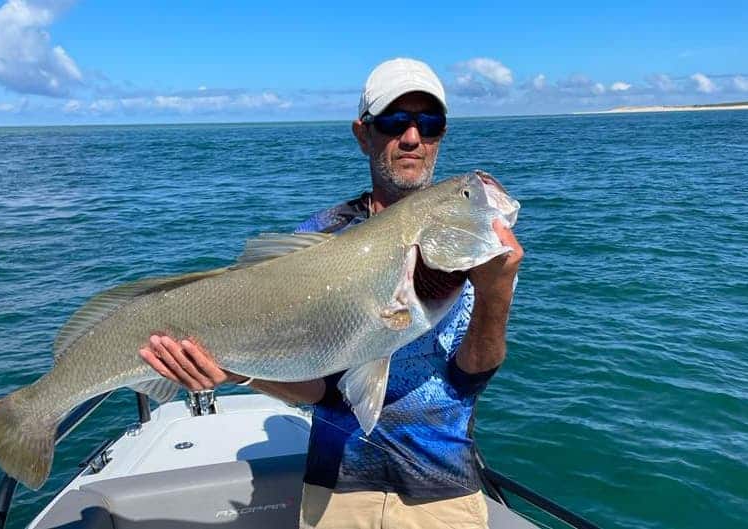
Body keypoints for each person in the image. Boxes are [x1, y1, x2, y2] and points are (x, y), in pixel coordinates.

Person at [139, 57, 523, 529]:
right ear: (363, 134)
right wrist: (235, 370)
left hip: (441, 493)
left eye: (429, 123)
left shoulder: (473, 252)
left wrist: (495, 294)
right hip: (334, 490)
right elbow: (321, 391)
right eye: (393, 121)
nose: (412, 137)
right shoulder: (319, 236)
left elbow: (468, 379)